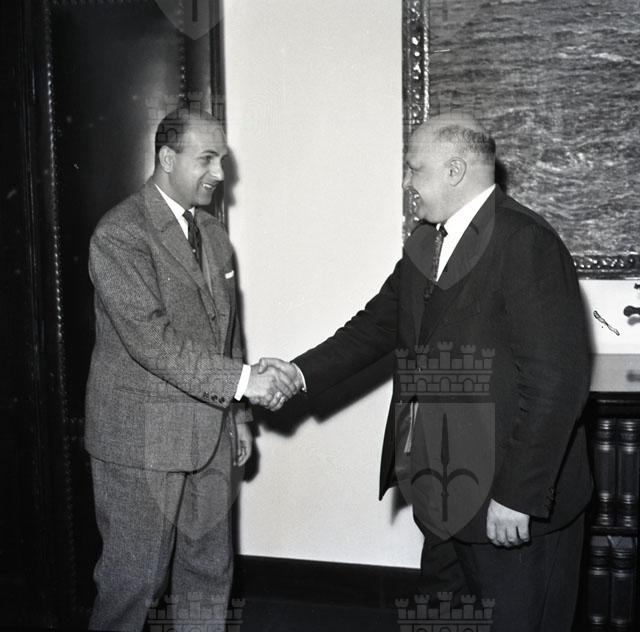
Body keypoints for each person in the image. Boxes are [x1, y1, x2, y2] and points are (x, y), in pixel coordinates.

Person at [262, 113, 592, 631]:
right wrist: (297, 374)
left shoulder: (526, 241)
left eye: (414, 169)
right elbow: (375, 326)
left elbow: (556, 383)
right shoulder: (426, 242)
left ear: (455, 171)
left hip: (510, 508)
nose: (406, 182)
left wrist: (517, 497)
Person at [84, 106, 296, 632]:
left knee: (208, 577)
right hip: (141, 443)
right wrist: (245, 382)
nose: (219, 173)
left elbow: (228, 329)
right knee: (135, 583)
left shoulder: (214, 234)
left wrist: (239, 416)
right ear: (166, 157)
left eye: (221, 160)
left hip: (210, 434)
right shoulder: (120, 234)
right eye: (207, 159)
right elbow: (150, 341)